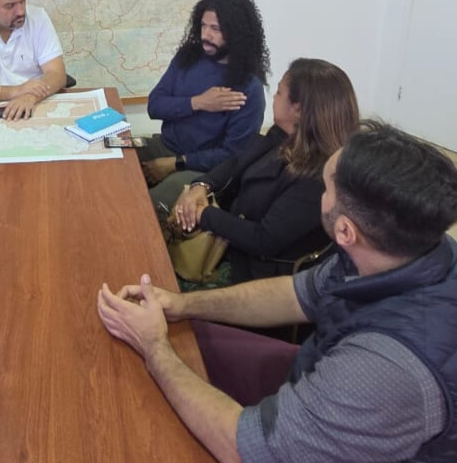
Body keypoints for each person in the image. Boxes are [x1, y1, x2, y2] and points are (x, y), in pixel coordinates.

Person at [98, 121, 457, 462]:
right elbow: (295, 295)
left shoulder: (385, 370)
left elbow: (246, 449)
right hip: (316, 372)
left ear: (345, 231)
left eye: (325, 187)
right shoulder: (397, 247)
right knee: (177, 341)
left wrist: (153, 347)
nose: (318, 191)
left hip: (306, 427)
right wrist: (181, 304)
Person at [171, 58, 359, 287]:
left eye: (279, 92)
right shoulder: (281, 136)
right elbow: (236, 163)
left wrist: (202, 215)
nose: (274, 97)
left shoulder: (318, 178)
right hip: (228, 242)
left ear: (298, 109)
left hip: (256, 275)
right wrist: (201, 186)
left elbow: (263, 239)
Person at [141, 0, 268, 209]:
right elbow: (155, 106)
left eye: (216, 29)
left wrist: (175, 164)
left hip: (201, 171)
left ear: (236, 34)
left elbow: (232, 157)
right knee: (112, 159)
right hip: (164, 145)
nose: (205, 35)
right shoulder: (188, 57)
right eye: (203, 26)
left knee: (146, 207)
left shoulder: (249, 88)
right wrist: (198, 102)